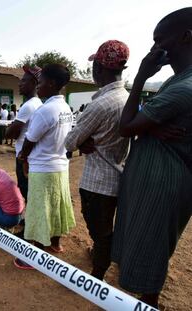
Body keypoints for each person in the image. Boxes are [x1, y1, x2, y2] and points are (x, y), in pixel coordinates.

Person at [111, 8, 192, 308]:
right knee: (146, 241)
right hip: (156, 176)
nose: (154, 50)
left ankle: (149, 302)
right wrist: (151, 130)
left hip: (163, 182)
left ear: (186, 37)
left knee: (151, 244)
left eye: (160, 41)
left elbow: (126, 126)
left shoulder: (184, 88)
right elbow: (142, 123)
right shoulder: (178, 80)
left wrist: (142, 76)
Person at [64, 40, 131, 281]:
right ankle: (101, 258)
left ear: (99, 69)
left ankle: (97, 276)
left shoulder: (100, 105)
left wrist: (81, 141)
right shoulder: (127, 98)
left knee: (100, 231)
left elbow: (69, 142)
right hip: (117, 175)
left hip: (97, 182)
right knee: (105, 229)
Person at [14, 64, 75, 269]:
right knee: (56, 206)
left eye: (40, 83)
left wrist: (23, 159)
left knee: (40, 210)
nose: (38, 86)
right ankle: (55, 244)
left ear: (52, 83)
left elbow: (30, 140)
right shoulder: (65, 107)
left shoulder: (45, 110)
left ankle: (36, 256)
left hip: (43, 167)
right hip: (60, 166)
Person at [6, 66, 43, 200]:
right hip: (31, 154)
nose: (19, 84)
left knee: (25, 189)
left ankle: (30, 219)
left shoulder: (27, 106)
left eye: (24, 81)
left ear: (33, 83)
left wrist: (10, 128)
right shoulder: (38, 103)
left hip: (23, 155)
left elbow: (10, 134)